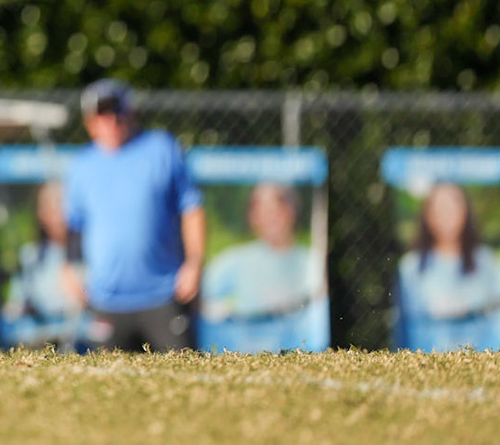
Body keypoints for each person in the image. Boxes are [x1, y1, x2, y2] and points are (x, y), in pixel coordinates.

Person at [60, 79, 205, 352]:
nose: (111, 120)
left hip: (164, 294)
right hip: (106, 300)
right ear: (90, 121)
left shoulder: (162, 149)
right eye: (102, 113)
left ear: (131, 113)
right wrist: (68, 267)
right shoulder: (82, 166)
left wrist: (195, 262)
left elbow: (192, 209)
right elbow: (74, 225)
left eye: (118, 111)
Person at [201, 183, 323, 323]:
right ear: (252, 217)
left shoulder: (311, 261)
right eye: (262, 212)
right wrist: (226, 312)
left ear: (292, 211)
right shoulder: (233, 260)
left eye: (277, 210)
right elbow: (201, 297)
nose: (270, 219)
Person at [397, 183, 500, 328]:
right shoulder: (410, 267)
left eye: (452, 208)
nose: (445, 217)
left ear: (465, 212)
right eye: (439, 209)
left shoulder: (487, 262)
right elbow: (408, 323)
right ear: (427, 216)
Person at [0, 181, 83, 349]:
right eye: (49, 207)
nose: (57, 214)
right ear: (40, 213)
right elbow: (15, 305)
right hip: (44, 340)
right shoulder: (31, 257)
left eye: (61, 205)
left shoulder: (91, 254)